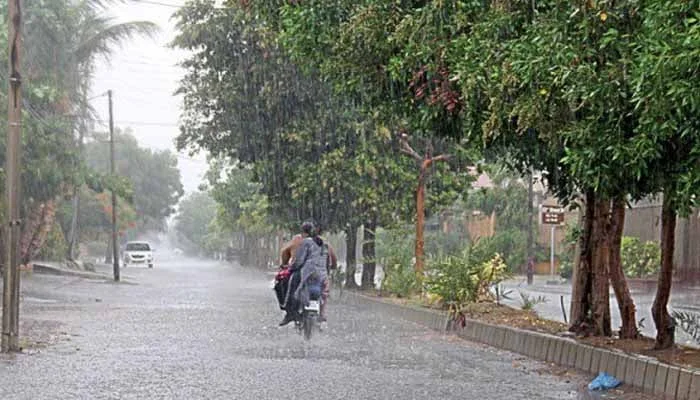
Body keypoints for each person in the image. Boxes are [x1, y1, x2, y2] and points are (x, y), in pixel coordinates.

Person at [279, 221, 329, 326]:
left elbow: (299, 260)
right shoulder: (324, 244)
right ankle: (322, 314)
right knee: (325, 292)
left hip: (308, 273)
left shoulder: (305, 242)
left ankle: (290, 313)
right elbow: (328, 260)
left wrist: (291, 268)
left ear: (304, 232)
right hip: (322, 275)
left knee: (292, 285)